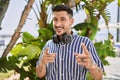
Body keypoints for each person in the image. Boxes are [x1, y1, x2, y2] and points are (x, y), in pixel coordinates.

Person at [36, 4, 104, 80]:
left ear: (71, 21)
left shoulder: (85, 43)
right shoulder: (48, 44)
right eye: (55, 19)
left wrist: (91, 65)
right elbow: (40, 74)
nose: (58, 24)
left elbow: (99, 77)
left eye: (62, 19)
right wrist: (42, 64)